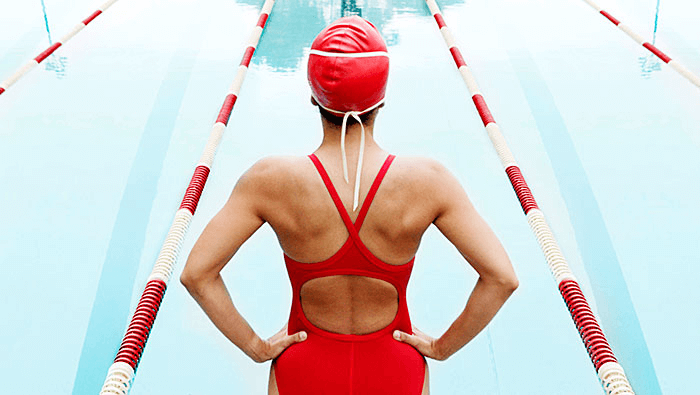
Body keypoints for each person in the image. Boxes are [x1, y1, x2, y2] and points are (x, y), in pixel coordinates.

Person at [180, 16, 518, 395]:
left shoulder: (269, 180)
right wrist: (442, 347)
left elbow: (197, 274)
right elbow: (501, 278)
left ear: (313, 96)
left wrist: (256, 347)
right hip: (396, 368)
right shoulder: (429, 181)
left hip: (303, 367)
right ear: (382, 99)